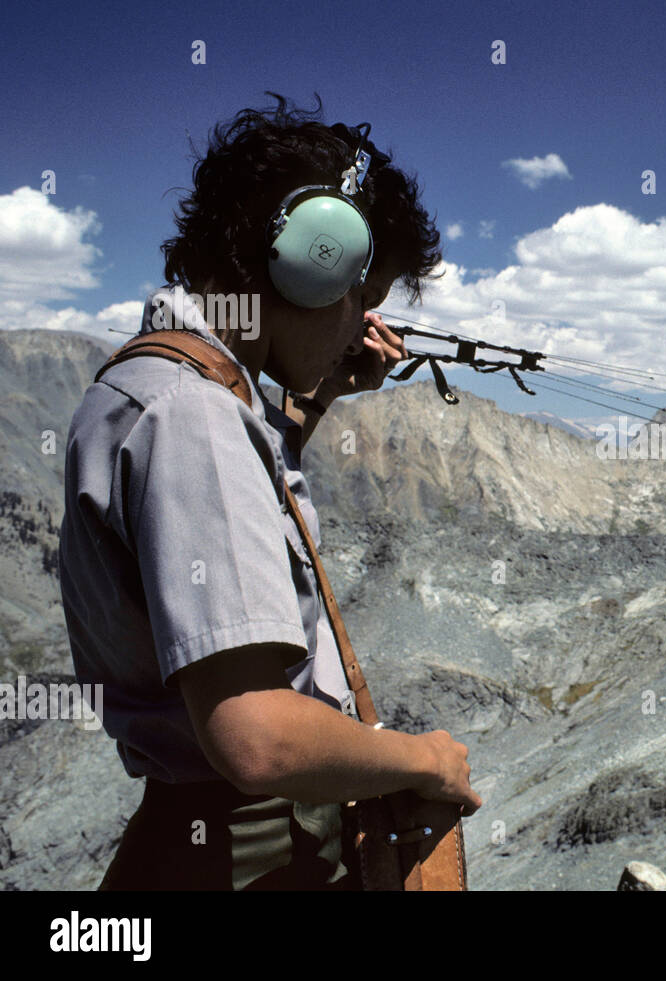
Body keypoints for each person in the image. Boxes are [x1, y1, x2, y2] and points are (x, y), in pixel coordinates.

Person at [58, 92, 482, 890]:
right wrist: (425, 758)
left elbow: (227, 506)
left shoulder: (147, 385)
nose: (362, 323)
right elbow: (257, 737)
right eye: (362, 294)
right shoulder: (194, 417)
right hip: (250, 852)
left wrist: (316, 398)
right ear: (308, 266)